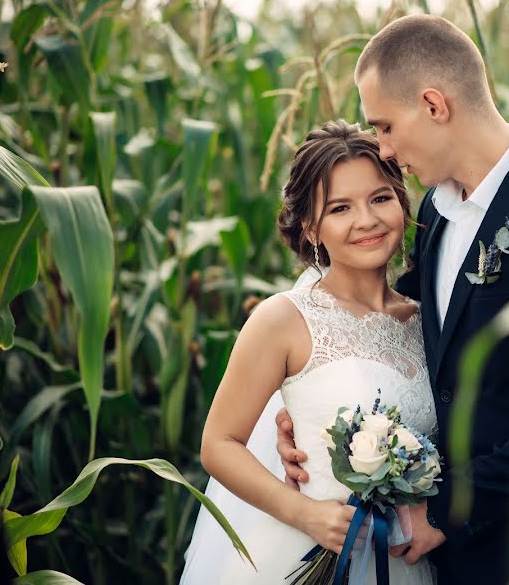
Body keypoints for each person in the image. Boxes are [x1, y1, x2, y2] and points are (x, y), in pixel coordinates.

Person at [276, 15, 509, 584]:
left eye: (386, 127)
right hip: (448, 562)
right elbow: (398, 329)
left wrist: (446, 510)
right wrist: (311, 408)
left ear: (435, 104)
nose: (385, 152)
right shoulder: (437, 212)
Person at [180, 119, 436, 584]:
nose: (367, 220)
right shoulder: (282, 319)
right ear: (311, 228)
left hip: (403, 557)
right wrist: (304, 514)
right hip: (298, 551)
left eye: (380, 198)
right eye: (340, 208)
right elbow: (219, 444)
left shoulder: (427, 321)